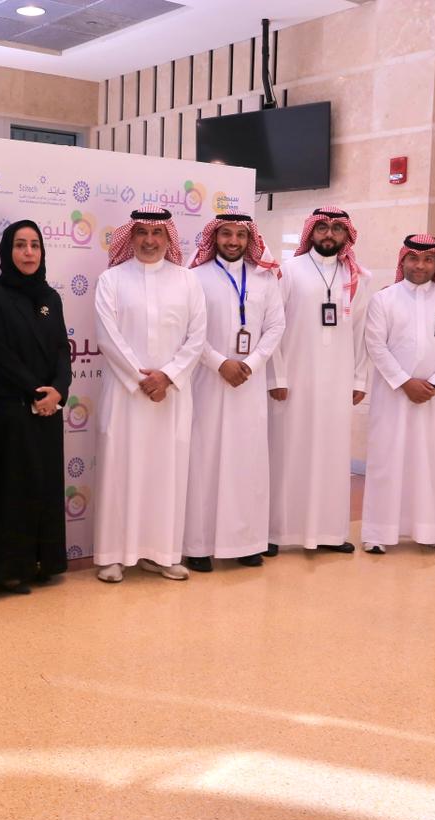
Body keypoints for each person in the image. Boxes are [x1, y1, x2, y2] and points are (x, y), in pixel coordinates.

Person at [92, 205, 207, 583]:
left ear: (168, 238)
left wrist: (168, 377)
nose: (149, 240)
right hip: (126, 395)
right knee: (120, 470)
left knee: (166, 473)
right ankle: (113, 556)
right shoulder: (111, 280)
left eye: (157, 233)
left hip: (171, 397)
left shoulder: (188, 281)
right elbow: (107, 336)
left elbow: (197, 337)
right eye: (141, 232)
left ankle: (162, 554)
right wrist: (141, 379)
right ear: (131, 236)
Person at [182, 213, 285, 571]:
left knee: (247, 461)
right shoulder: (194, 277)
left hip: (248, 384)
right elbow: (190, 331)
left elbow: (276, 326)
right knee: (204, 460)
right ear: (215, 237)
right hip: (207, 382)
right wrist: (219, 363)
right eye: (226, 234)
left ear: (249, 239)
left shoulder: (264, 278)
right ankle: (198, 545)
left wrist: (252, 363)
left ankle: (246, 543)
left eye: (240, 235)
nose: (233, 241)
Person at [266, 207, 373, 554]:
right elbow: (274, 328)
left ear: (347, 235)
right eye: (323, 227)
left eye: (337, 229)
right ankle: (277, 533)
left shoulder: (358, 277)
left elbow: (361, 333)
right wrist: (277, 375)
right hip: (294, 380)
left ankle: (329, 533)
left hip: (337, 381)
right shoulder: (289, 271)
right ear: (311, 232)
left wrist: (359, 380)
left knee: (332, 456)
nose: (329, 234)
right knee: (287, 453)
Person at [0, 221, 71, 594]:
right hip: (10, 409)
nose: (28, 252)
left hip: (48, 408)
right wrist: (35, 392)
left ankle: (44, 562)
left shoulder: (51, 298)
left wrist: (58, 391)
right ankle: (9, 569)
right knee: (11, 487)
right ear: (7, 251)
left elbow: (62, 349)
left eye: (35, 245)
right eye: (20, 245)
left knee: (44, 484)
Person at [360, 235, 435, 555]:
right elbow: (375, 345)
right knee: (387, 461)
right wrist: (404, 382)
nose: (420, 265)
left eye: (427, 260)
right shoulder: (384, 299)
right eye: (413, 258)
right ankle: (377, 532)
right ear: (403, 261)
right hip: (393, 395)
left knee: (432, 463)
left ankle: (433, 532)